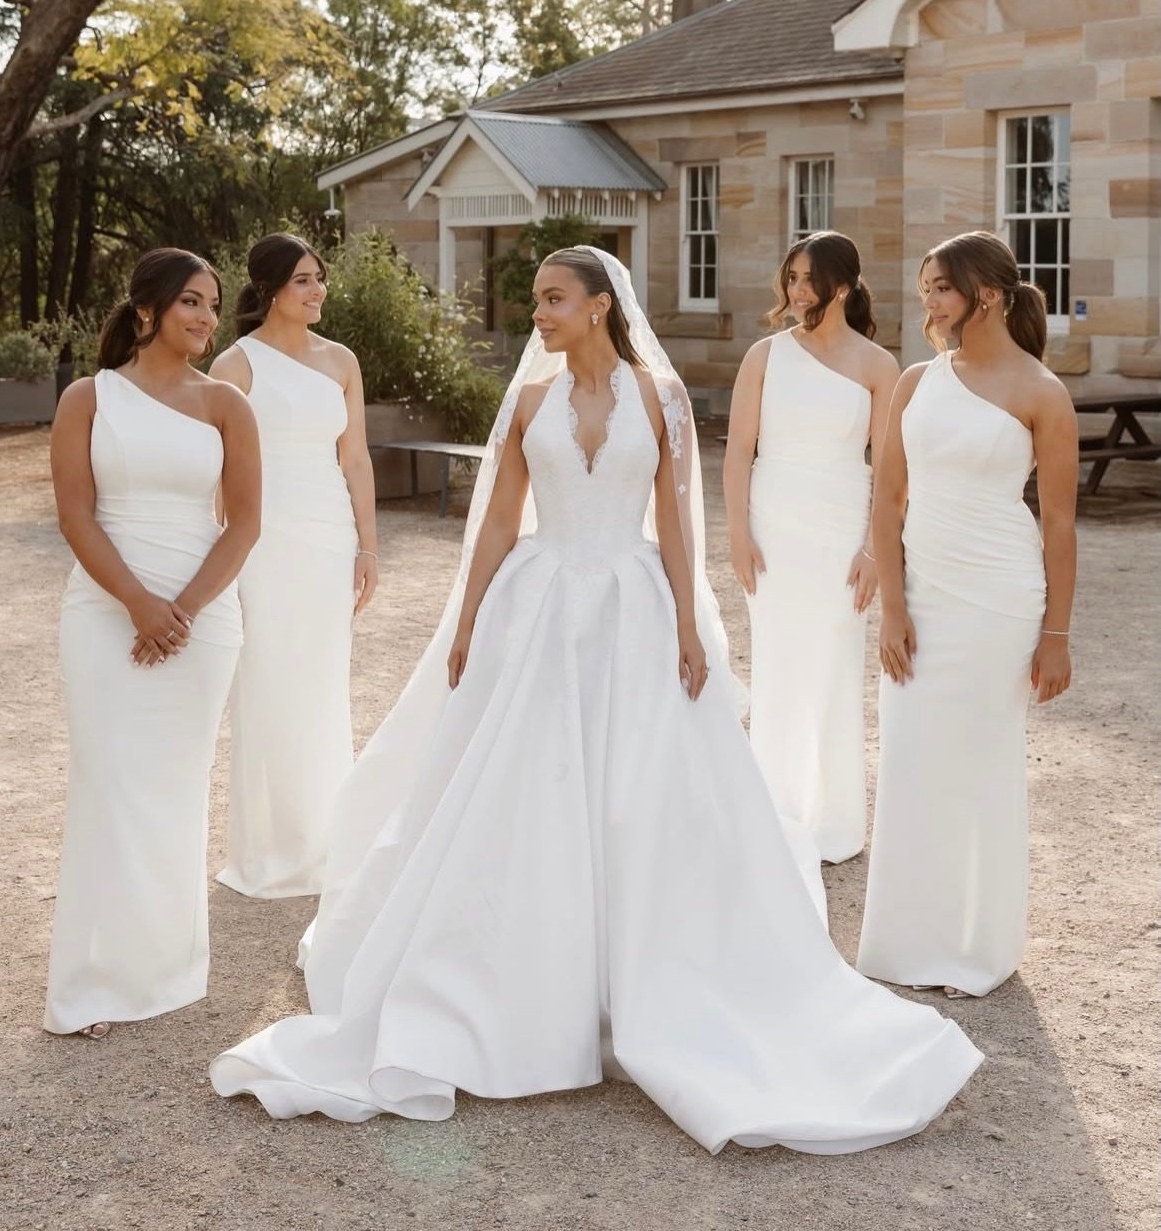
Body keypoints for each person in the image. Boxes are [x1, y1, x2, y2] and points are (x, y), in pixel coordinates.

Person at [210, 246, 981, 1154]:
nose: (537, 314)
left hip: (631, 604)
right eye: (535, 300)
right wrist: (465, 623)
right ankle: (522, 977)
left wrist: (692, 628)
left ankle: (639, 972)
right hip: (535, 608)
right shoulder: (529, 400)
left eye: (551, 299)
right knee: (522, 785)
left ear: (599, 307)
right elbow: (500, 517)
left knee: (637, 790)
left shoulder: (658, 399)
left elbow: (672, 517)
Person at [856, 230, 1078, 999]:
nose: (929, 303)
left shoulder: (1042, 394)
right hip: (923, 596)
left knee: (978, 768)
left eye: (940, 289)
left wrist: (1055, 635)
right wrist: (891, 607)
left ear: (985, 294)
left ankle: (976, 947)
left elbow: (1057, 526)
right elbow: (885, 499)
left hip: (999, 602)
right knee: (913, 758)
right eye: (925, 289)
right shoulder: (916, 381)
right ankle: (904, 943)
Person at [46, 248, 260, 1038]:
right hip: (104, 610)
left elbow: (246, 524)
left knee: (173, 787)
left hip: (202, 620)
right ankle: (93, 981)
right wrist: (137, 603)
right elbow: (75, 515)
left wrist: (183, 611)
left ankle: (163, 970)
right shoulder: (87, 398)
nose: (205, 318)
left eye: (211, 304)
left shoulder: (227, 405)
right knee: (108, 783)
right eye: (190, 304)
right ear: (146, 311)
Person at [210, 233, 378, 899]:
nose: (317, 291)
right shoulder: (235, 364)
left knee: (322, 682)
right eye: (304, 281)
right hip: (264, 540)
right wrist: (226, 552)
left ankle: (325, 839)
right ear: (273, 287)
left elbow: (356, 459)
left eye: (320, 278)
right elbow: (220, 472)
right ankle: (269, 850)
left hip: (330, 535)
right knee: (267, 681)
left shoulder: (341, 361)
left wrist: (367, 545)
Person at [724, 232, 899, 863]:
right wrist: (737, 532)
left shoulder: (880, 367)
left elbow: (888, 471)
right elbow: (739, 449)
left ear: (843, 287)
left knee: (833, 666)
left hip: (841, 526)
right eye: (791, 278)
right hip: (773, 522)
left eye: (808, 280)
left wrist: (876, 552)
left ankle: (832, 819)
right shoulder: (765, 356)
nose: (797, 291)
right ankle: (775, 812)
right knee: (777, 663)